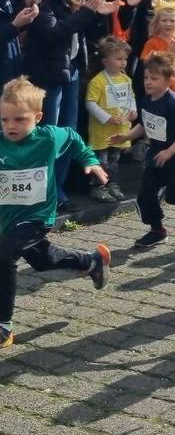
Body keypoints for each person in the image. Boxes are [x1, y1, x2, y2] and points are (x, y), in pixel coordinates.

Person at [0, 77, 111, 350]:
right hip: (7, 219)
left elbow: (73, 138)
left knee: (3, 257)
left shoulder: (48, 138)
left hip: (36, 217)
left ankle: (3, 326)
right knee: (43, 259)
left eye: (19, 119)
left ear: (37, 117)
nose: (11, 126)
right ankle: (90, 261)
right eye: (4, 120)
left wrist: (90, 160)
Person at [23, 0, 118, 202]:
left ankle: (58, 192)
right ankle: (43, 195)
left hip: (72, 69)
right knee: (48, 137)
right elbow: (51, 32)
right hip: (48, 72)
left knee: (68, 133)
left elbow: (83, 26)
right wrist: (87, 13)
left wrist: (102, 11)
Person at [111, 51, 175, 249]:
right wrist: (126, 137)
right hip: (156, 153)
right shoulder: (147, 100)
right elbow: (144, 124)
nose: (148, 82)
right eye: (146, 77)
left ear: (170, 79)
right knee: (145, 195)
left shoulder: (174, 103)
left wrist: (170, 152)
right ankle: (157, 230)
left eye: (154, 78)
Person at [84, 36, 136, 203]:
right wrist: (106, 118)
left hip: (119, 130)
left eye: (125, 59)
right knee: (101, 159)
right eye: (119, 59)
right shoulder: (97, 81)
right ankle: (98, 186)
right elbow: (90, 103)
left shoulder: (126, 79)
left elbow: (131, 97)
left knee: (114, 159)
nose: (123, 63)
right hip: (102, 131)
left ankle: (112, 184)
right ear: (105, 61)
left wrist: (133, 112)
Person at [0, 0, 38, 86]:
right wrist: (15, 26)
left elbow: (6, 17)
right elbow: (9, 26)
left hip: (9, 68)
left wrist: (26, 3)